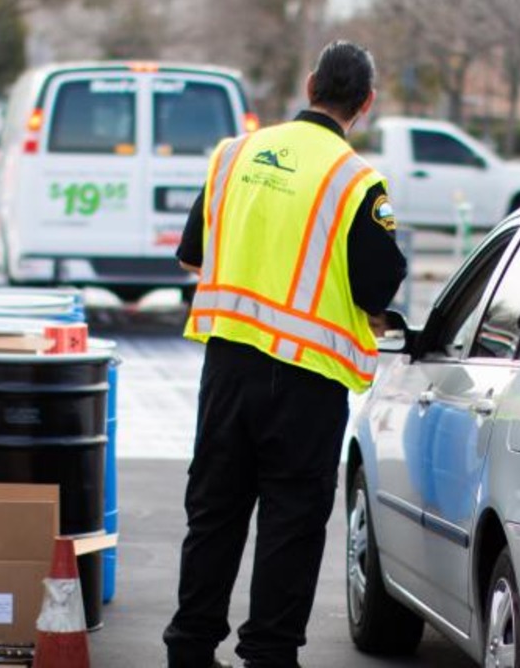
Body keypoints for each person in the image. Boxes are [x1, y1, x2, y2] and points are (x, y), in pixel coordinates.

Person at [164, 41, 407, 668]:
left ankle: (189, 649)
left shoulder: (234, 154)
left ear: (308, 86)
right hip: (306, 380)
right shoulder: (356, 180)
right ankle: (268, 655)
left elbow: (193, 255)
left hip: (228, 367)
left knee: (215, 512)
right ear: (366, 105)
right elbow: (377, 288)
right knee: (290, 524)